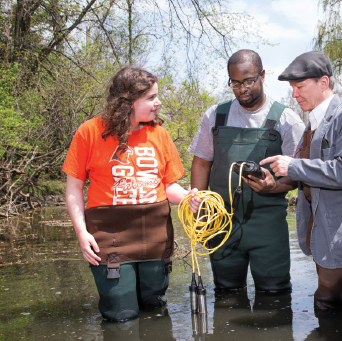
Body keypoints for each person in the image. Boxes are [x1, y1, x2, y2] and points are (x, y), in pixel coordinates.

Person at [63, 66, 199, 322]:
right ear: (126, 102)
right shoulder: (89, 132)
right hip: (109, 236)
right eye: (150, 98)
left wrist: (187, 197)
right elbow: (74, 189)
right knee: (121, 315)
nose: (158, 103)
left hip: (156, 237)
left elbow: (169, 186)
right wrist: (82, 233)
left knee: (154, 309)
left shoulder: (159, 134)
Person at [262, 51, 342, 311]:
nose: (294, 94)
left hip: (341, 230)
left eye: (300, 87)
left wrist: (294, 165)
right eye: (292, 88)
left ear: (324, 83)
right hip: (320, 227)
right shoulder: (312, 121)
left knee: (329, 302)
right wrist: (275, 180)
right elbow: (307, 173)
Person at [188, 49, 304, 293]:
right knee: (226, 295)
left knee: (275, 295)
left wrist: (274, 186)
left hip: (268, 226)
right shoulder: (215, 116)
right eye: (235, 83)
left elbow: (298, 174)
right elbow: (201, 163)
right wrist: (197, 199)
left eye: (249, 81)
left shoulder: (286, 120)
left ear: (262, 75)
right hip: (221, 224)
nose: (242, 89)